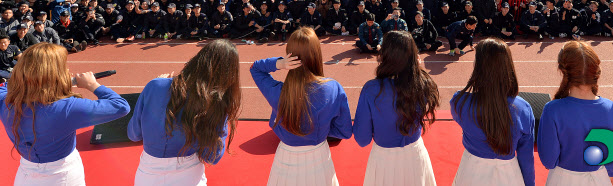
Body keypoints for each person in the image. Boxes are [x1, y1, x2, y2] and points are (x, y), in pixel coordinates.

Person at [0, 43, 129, 185]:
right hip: (63, 176)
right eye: (62, 68)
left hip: (25, 175)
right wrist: (93, 85)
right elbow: (121, 106)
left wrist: (29, 82)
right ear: (54, 74)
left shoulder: (3, 103)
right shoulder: (68, 108)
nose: (67, 70)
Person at [128, 40, 241, 185]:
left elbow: (134, 134)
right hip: (189, 176)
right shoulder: (216, 103)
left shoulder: (155, 86)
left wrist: (155, 87)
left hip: (148, 175)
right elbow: (212, 156)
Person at [250, 27, 353, 186]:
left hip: (286, 157)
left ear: (289, 55)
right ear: (316, 54)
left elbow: (255, 68)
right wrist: (320, 129)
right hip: (319, 157)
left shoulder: (278, 92)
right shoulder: (333, 88)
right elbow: (345, 131)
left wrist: (280, 63)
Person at [353, 30, 439, 186]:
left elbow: (362, 139)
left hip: (384, 161)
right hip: (416, 156)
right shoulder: (424, 83)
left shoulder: (372, 89)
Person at [538, 41, 613, 185]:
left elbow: (549, 160)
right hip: (600, 178)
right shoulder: (612, 109)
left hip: (563, 179)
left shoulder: (552, 110)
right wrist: (610, 172)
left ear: (562, 70)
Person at [451, 38, 535, 186]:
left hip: (471, 172)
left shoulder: (460, 102)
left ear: (479, 68)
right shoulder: (523, 109)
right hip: (508, 174)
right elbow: (526, 157)